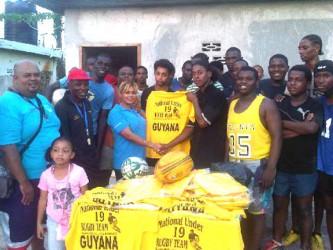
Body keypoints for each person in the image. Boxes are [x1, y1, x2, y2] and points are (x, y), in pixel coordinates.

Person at [0, 60, 60, 250]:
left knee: (40, 229)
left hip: (48, 178)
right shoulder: (8, 102)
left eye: (36, 74)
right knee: (19, 235)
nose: (33, 78)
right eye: (27, 75)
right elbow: (7, 147)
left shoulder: (40, 99)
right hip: (24, 183)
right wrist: (24, 183)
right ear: (15, 78)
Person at [265, 65, 322, 250]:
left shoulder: (315, 104)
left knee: (304, 209)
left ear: (307, 82)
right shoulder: (279, 102)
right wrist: (300, 127)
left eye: (298, 80)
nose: (293, 83)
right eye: (290, 79)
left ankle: (305, 245)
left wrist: (280, 124)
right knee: (279, 206)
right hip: (281, 165)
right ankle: (276, 241)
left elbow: (312, 128)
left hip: (305, 168)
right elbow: (273, 131)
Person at [226, 66, 282, 250]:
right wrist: (225, 164)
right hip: (235, 166)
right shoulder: (233, 104)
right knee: (238, 209)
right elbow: (228, 137)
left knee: (257, 211)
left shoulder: (265, 104)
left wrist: (271, 168)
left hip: (257, 166)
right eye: (240, 78)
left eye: (248, 79)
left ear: (257, 82)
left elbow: (277, 137)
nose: (243, 82)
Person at [54, 68, 109, 188]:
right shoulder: (61, 107)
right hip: (75, 160)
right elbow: (64, 136)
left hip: (90, 156)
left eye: (85, 84)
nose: (83, 87)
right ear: (69, 85)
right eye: (78, 84)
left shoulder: (86, 103)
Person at [36, 137, 89, 250]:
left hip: (76, 219)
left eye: (65, 151)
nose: (60, 154)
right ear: (51, 153)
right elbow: (42, 199)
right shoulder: (46, 175)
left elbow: (86, 197)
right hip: (54, 220)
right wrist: (38, 223)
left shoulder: (79, 172)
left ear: (72, 154)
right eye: (56, 150)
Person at [142, 59, 194, 166]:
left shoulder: (174, 95)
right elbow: (145, 118)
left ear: (170, 76)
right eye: (158, 73)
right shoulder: (147, 93)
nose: (160, 77)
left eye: (164, 74)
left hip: (172, 148)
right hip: (153, 146)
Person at [107, 81, 161, 180]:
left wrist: (139, 110)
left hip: (141, 162)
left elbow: (150, 122)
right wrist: (152, 145)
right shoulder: (115, 112)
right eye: (127, 93)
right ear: (120, 94)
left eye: (133, 93)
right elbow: (128, 135)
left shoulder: (136, 111)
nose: (131, 95)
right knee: (127, 194)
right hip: (125, 163)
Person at [187, 60, 227, 168]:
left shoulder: (217, 95)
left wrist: (194, 100)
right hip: (197, 151)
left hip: (212, 153)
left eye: (200, 73)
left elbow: (202, 122)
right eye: (194, 74)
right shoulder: (198, 94)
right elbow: (190, 126)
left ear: (209, 74)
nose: (196, 77)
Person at [314, 60, 333, 250]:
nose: (320, 80)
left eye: (326, 76)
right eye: (317, 76)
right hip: (321, 165)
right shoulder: (318, 102)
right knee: (326, 207)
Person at [299, 34, 323, 98]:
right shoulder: (298, 71)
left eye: (305, 48)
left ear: (317, 48)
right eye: (299, 48)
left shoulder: (328, 70)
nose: (300, 52)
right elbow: (288, 95)